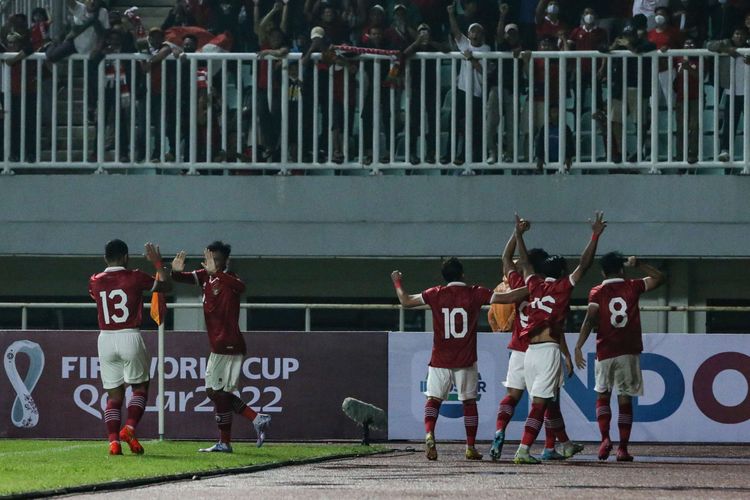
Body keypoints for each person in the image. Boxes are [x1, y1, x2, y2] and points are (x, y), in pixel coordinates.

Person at [390, 257, 528, 461]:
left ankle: (429, 434)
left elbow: (406, 301)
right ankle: (470, 447)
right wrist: (535, 287)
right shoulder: (475, 292)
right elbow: (507, 298)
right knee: (469, 402)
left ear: (445, 277)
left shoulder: (435, 293)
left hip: (439, 358)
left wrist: (397, 282)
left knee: (433, 400)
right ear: (462, 274)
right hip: (465, 358)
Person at [511, 211, 606, 464]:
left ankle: (564, 444)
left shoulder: (534, 284)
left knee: (549, 400)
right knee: (541, 403)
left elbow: (525, 262)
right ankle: (523, 450)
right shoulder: (564, 285)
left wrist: (519, 235)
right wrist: (595, 235)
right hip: (549, 351)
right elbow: (584, 265)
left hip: (529, 351)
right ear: (562, 271)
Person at [171, 241, 271, 452]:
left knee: (215, 392)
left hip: (228, 343)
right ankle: (251, 422)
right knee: (219, 393)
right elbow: (182, 278)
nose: (212, 263)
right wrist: (174, 271)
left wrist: (217, 272)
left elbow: (242, 287)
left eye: (217, 260)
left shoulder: (230, 279)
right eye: (210, 258)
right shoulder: (206, 276)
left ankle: (231, 438)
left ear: (226, 261)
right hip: (219, 345)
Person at [575, 252, 665, 462]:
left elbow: (590, 319)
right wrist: (641, 264)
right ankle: (622, 448)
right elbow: (660, 278)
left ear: (603, 271)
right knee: (625, 400)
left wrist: (579, 345)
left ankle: (605, 439)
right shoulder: (633, 285)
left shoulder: (597, 291)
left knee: (602, 396)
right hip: (628, 350)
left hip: (605, 349)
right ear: (622, 270)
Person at [88, 240, 172, 455]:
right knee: (140, 387)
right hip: (129, 335)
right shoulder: (135, 276)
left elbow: (97, 297)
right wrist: (157, 263)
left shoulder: (95, 280)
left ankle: (113, 442)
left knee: (114, 396)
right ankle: (130, 428)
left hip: (105, 338)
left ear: (105, 258)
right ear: (125, 257)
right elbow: (165, 286)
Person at [446, 2, 489, 165]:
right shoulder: (465, 44)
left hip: (477, 93)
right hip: (462, 89)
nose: (474, 34)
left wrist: (471, 58)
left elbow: (482, 70)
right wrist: (451, 14)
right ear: (469, 34)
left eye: (478, 31)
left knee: (472, 127)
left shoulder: (487, 50)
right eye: (472, 31)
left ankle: (466, 155)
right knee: (454, 122)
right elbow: (456, 32)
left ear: (482, 34)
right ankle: (450, 153)